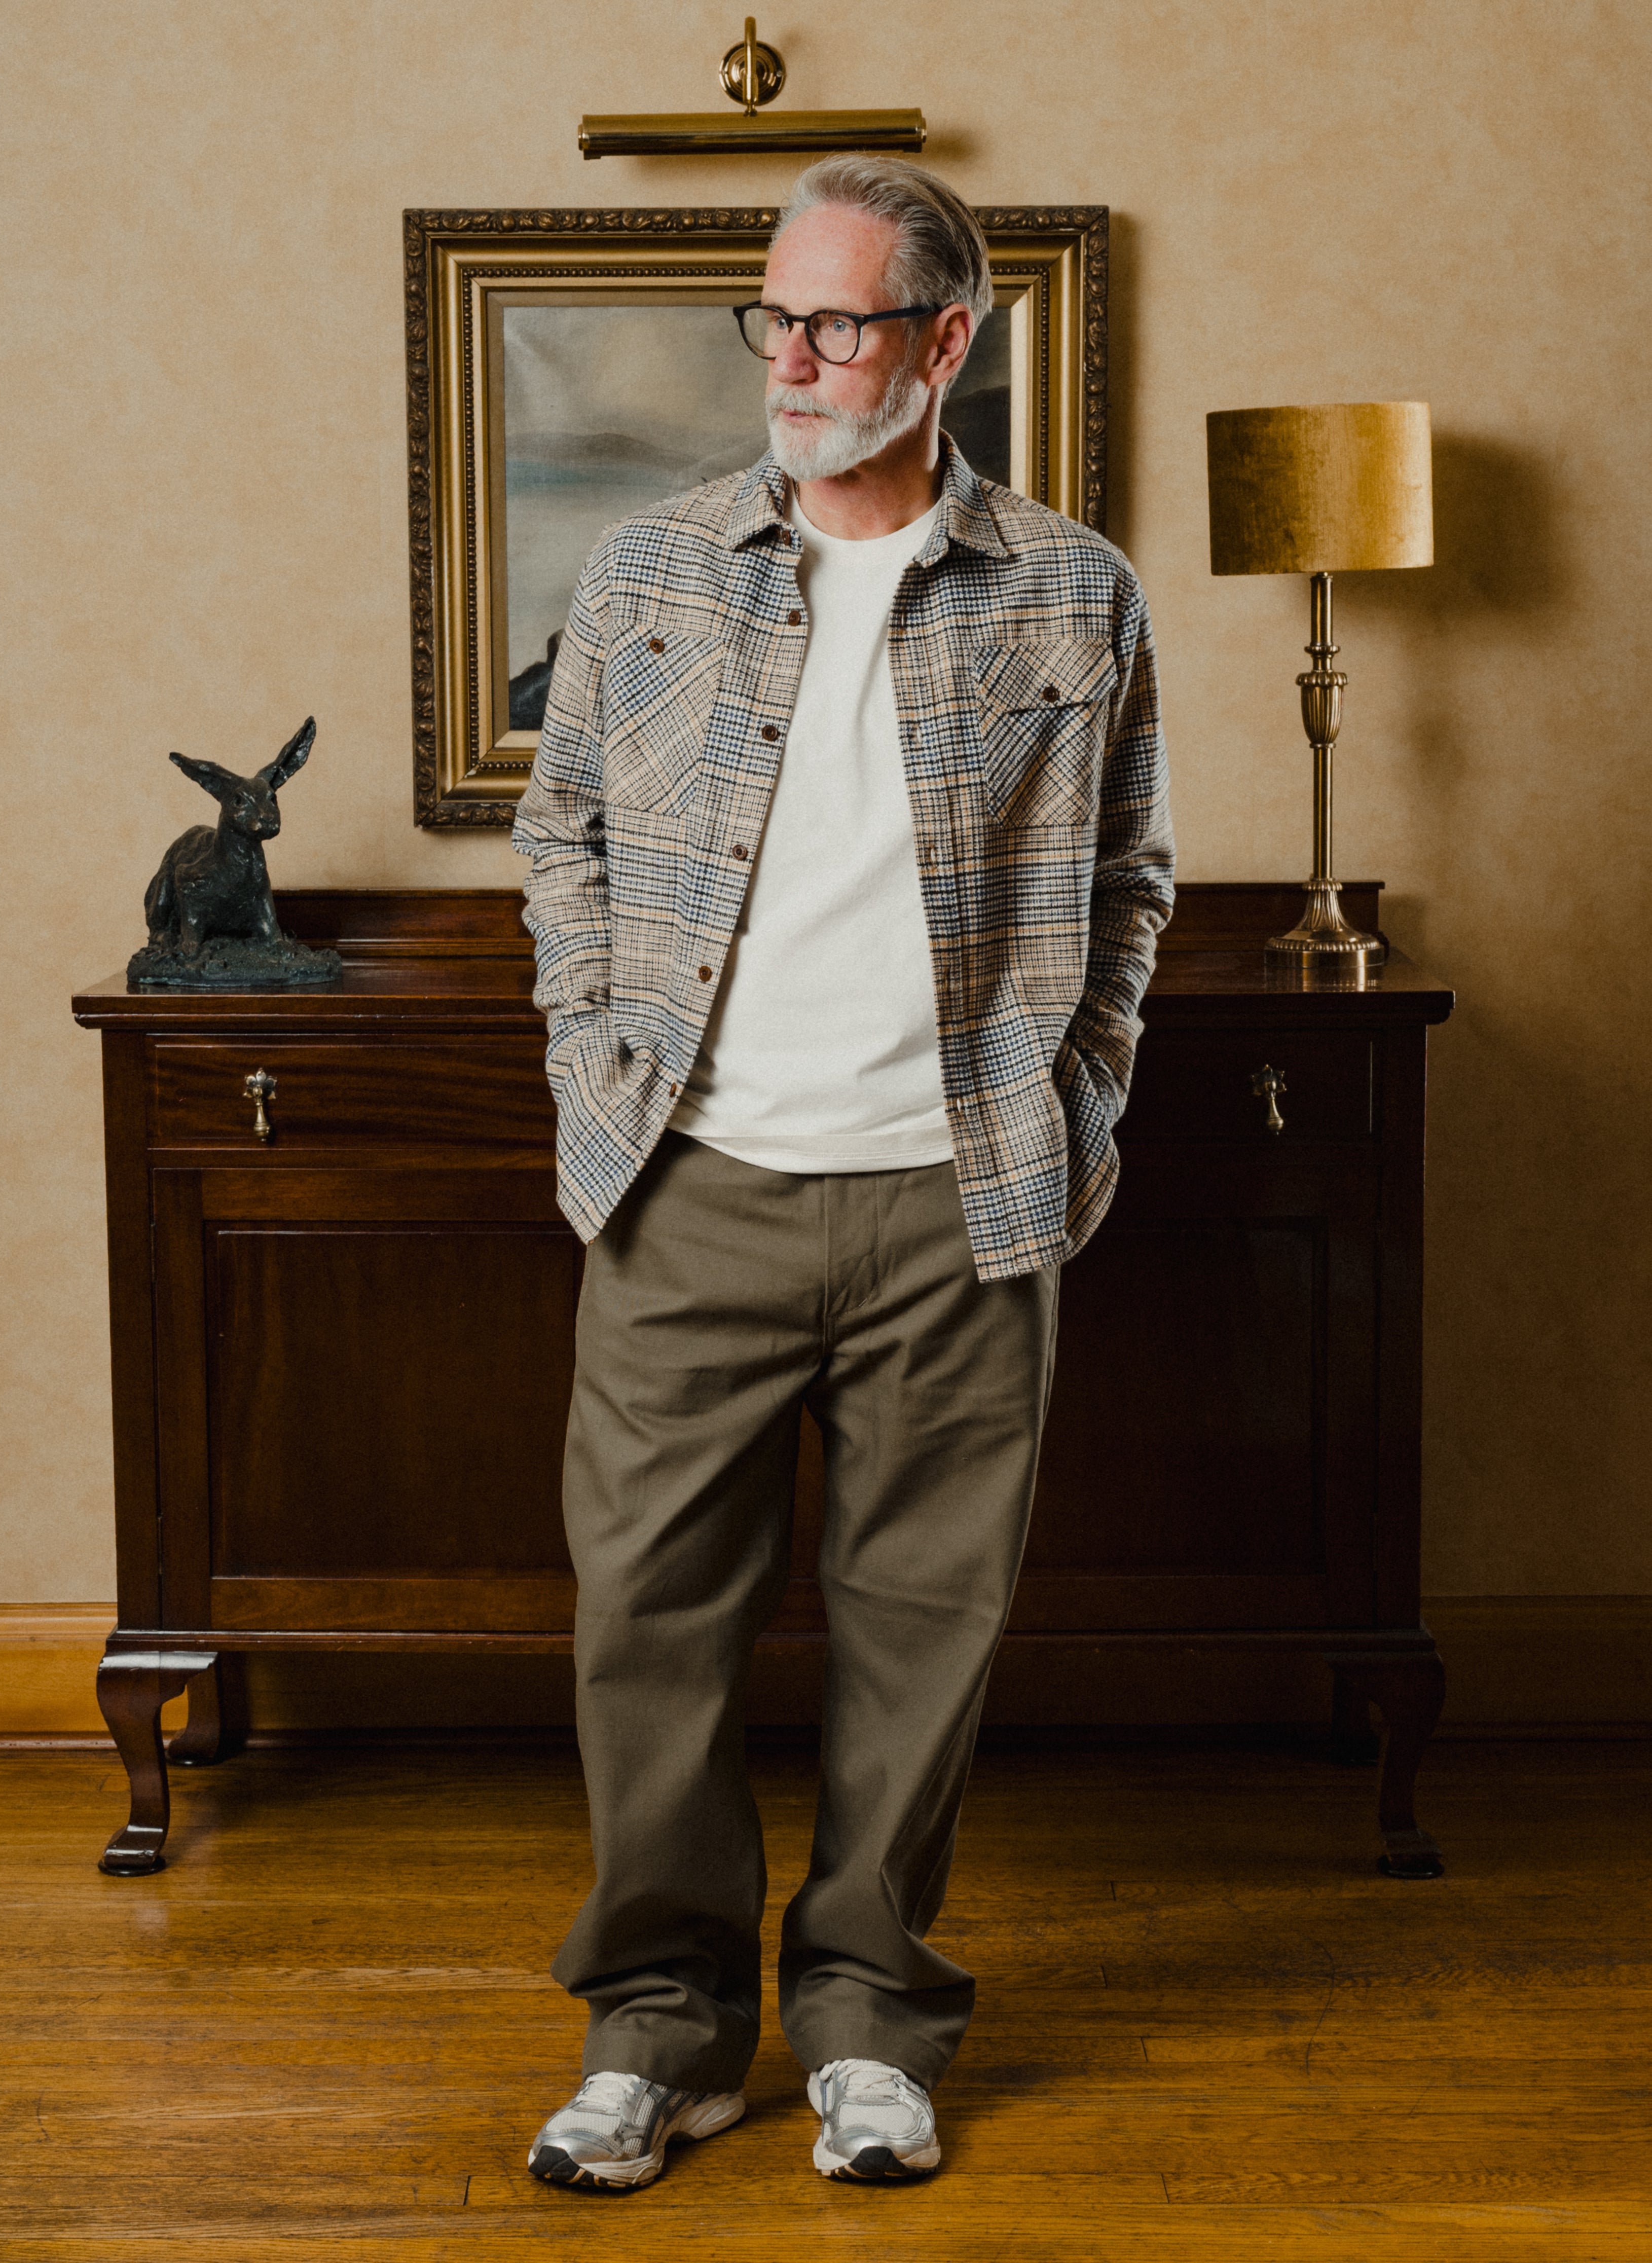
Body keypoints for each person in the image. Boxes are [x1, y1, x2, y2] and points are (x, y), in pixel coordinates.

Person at [511, 154, 1173, 2193]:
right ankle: (662, 2033)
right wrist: (591, 1053)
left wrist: (1078, 1098)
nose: (788, 360)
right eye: (771, 319)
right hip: (687, 1188)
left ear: (942, 343)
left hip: (960, 1204)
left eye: (834, 323)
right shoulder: (647, 573)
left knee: (920, 1635)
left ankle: (873, 2024)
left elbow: (1127, 877)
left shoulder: (1074, 591)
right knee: (645, 1629)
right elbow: (563, 840)